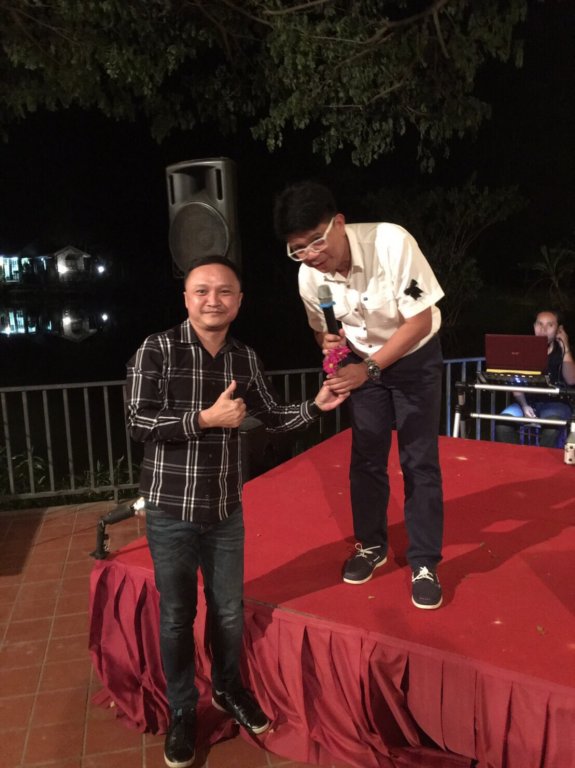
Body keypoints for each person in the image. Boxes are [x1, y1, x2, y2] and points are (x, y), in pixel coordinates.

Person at [125, 255, 347, 768]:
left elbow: (271, 415)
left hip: (225, 509)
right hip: (171, 509)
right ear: (186, 298)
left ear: (239, 301)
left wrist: (316, 406)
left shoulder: (244, 359)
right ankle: (184, 708)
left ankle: (227, 688)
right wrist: (205, 419)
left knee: (227, 611)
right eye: (202, 290)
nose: (213, 300)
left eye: (224, 291)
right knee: (177, 616)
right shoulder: (156, 349)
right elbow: (138, 421)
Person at [273, 180, 445, 610]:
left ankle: (425, 562)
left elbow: (420, 321)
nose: (311, 255)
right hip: (360, 361)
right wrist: (328, 344)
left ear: (339, 223)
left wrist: (367, 370)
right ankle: (371, 545)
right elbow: (321, 329)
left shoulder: (390, 243)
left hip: (413, 358)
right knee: (366, 456)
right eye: (298, 249)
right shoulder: (308, 276)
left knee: (418, 459)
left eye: (316, 241)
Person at [495, 310, 575, 447]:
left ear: (558, 329)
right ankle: (518, 458)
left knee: (551, 427)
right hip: (528, 402)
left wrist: (566, 348)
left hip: (556, 404)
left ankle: (541, 460)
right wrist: (524, 405)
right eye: (540, 324)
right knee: (503, 424)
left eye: (550, 325)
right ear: (534, 327)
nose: (543, 329)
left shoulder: (562, 351)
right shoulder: (524, 350)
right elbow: (516, 382)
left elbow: (571, 379)